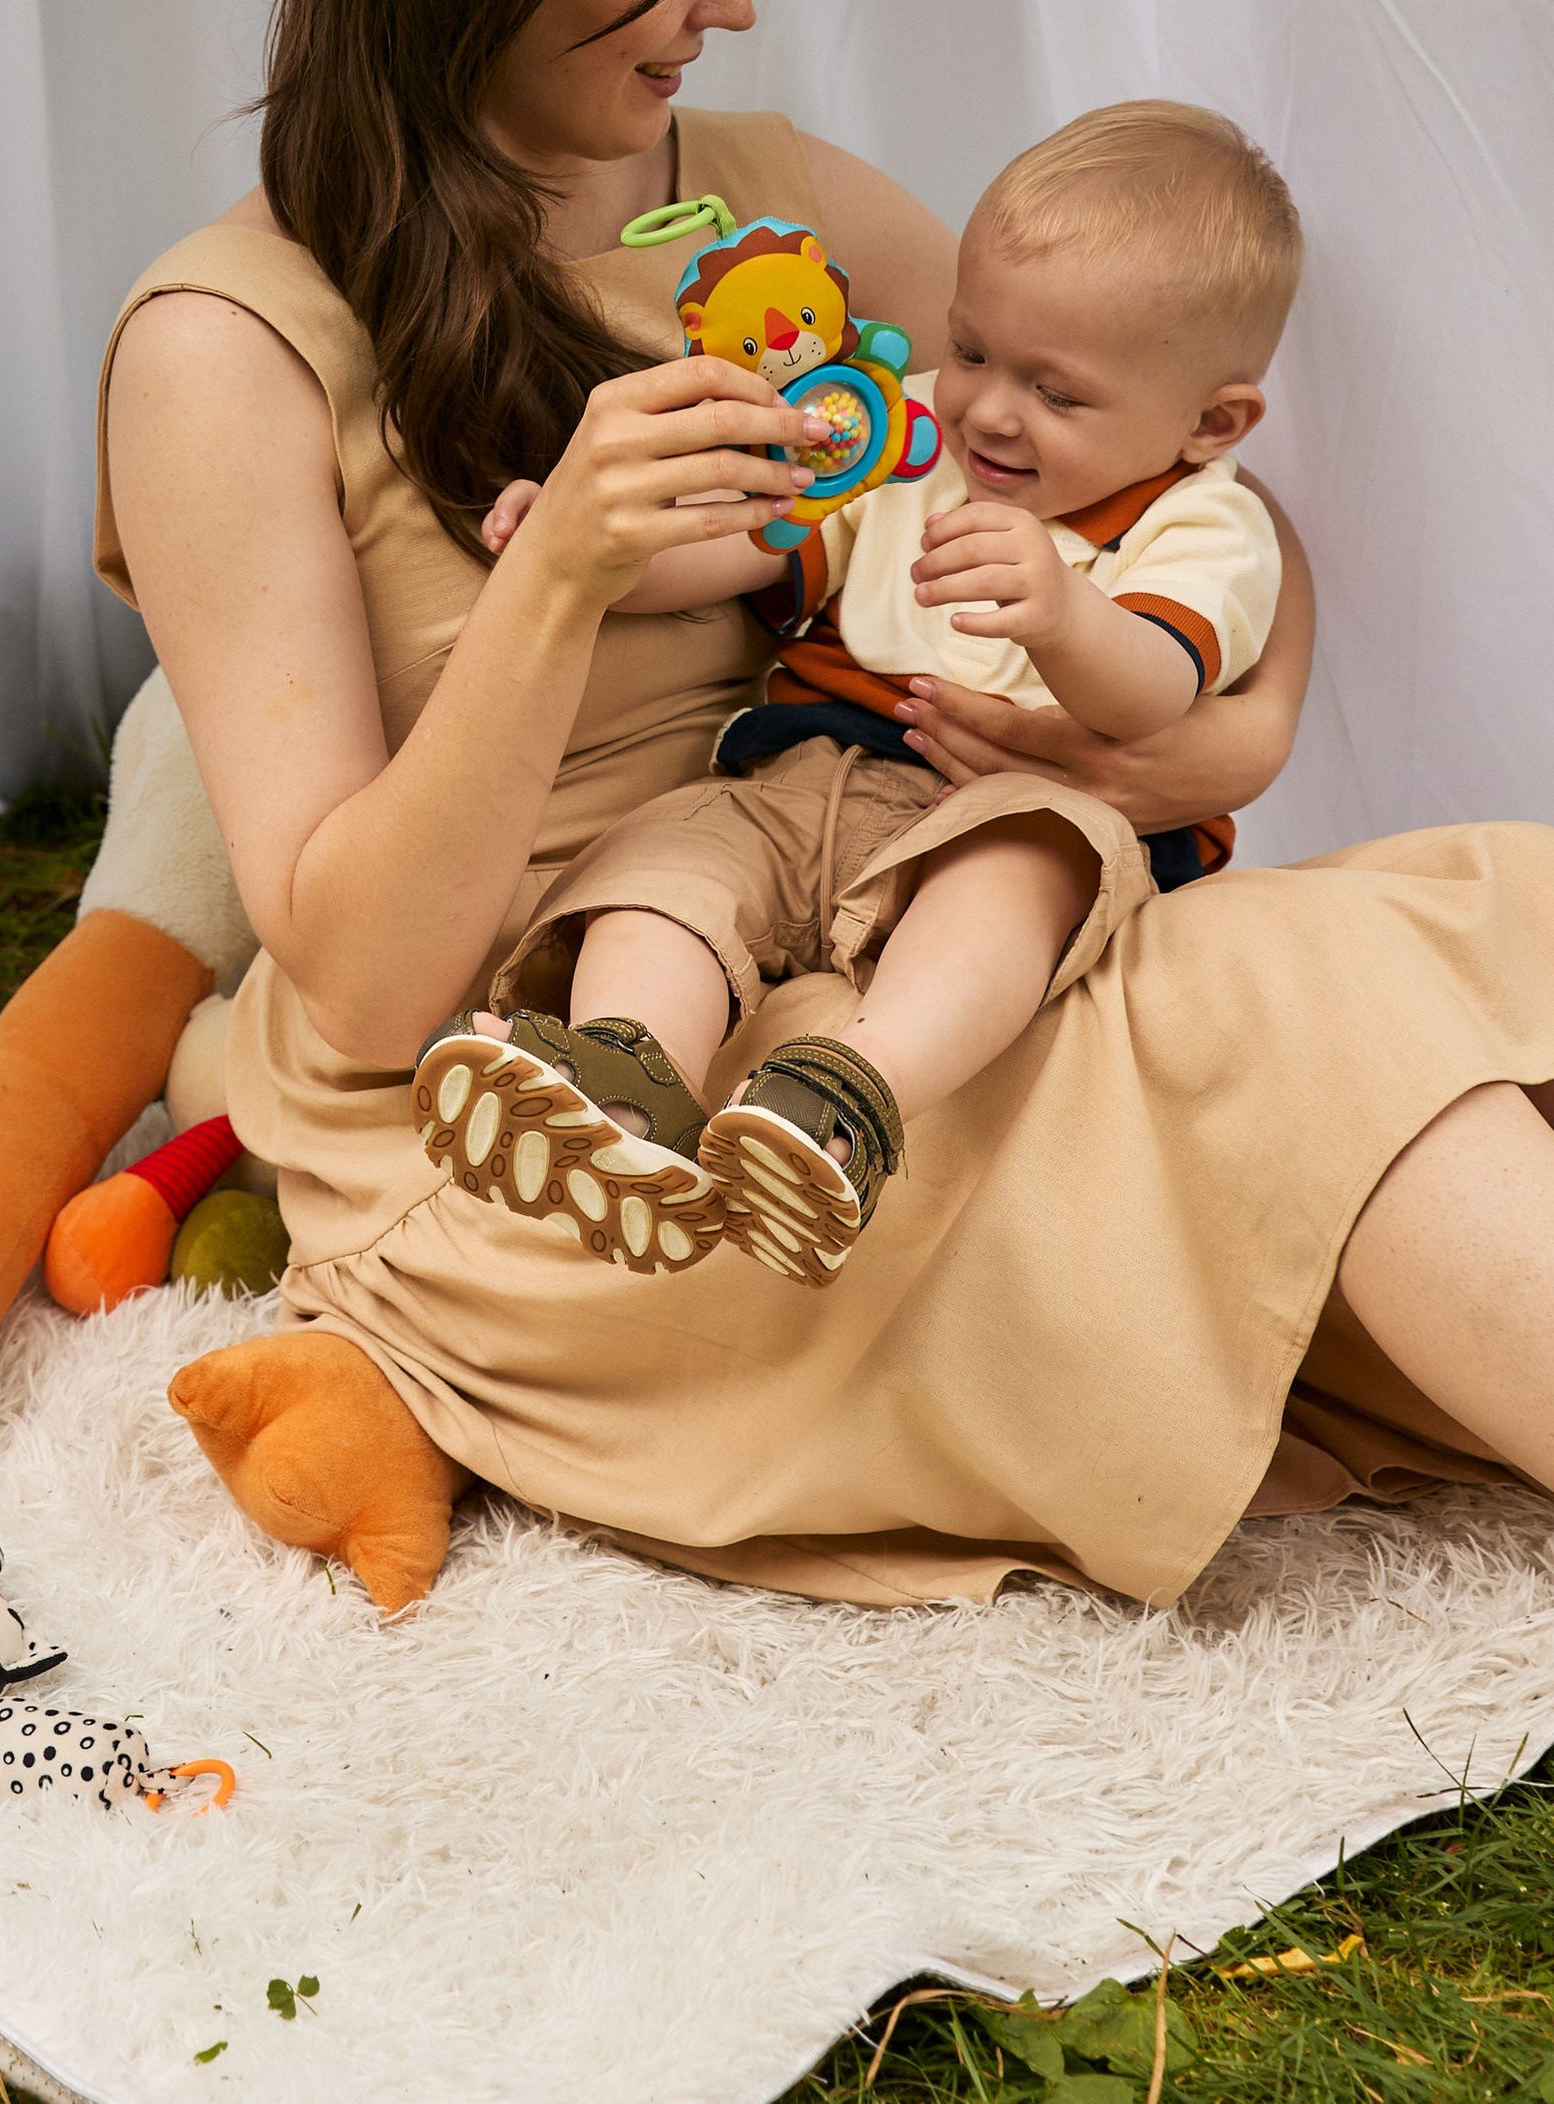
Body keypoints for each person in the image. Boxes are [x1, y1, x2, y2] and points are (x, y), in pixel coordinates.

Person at [94, 0, 1554, 1618]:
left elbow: (1135, 472)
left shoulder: (773, 205)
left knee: (1300, 1004)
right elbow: (351, 989)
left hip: (887, 934)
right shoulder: (222, 348)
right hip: (562, 1078)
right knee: (1268, 1037)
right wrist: (566, 582)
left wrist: (1172, 744)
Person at [419, 102, 1297, 1288]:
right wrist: (584, 554)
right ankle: (623, 1085)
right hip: (805, 770)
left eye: (1057, 393)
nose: (986, 407)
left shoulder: (1205, 527)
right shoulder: (905, 438)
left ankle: (842, 1100)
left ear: (1211, 423)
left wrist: (1063, 615)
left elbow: (1154, 694)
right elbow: (739, 549)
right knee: (672, 861)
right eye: (975, 350)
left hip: (1004, 803)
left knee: (1021, 874)